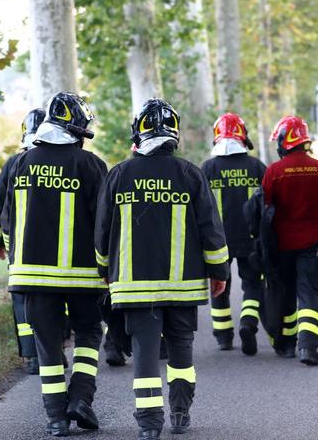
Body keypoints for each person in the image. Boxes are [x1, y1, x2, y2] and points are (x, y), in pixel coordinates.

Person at [94, 99, 228, 440]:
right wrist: (219, 272)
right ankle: (180, 413)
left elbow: (102, 232)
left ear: (137, 133)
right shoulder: (190, 174)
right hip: (183, 286)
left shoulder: (119, 175)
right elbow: (211, 229)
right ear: (175, 134)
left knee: (144, 352)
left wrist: (104, 270)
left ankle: (149, 423)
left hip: (134, 286)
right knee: (182, 348)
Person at [1, 93, 107, 436]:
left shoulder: (21, 163)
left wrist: (16, 260)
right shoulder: (90, 165)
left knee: (48, 347)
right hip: (83, 277)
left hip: (31, 276)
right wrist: (107, 267)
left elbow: (6, 220)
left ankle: (56, 419)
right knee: (90, 332)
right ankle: (80, 396)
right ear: (77, 130)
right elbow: (105, 224)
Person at [262, 116, 318, 366]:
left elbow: (265, 207)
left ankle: (286, 345)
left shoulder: (274, 171)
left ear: (286, 141)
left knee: (285, 295)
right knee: (308, 295)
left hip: (281, 247)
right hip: (311, 245)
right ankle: (308, 348)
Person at [202, 113, 267, 354]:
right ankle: (248, 323)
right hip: (252, 240)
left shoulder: (208, 168)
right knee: (252, 284)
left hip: (218, 242)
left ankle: (223, 336)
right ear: (242, 136)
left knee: (220, 287)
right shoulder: (256, 166)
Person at [0, 108, 44, 375]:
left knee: (23, 303)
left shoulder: (14, 163)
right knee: (54, 301)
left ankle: (32, 357)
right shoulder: (54, 161)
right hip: (49, 249)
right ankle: (53, 350)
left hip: (18, 251)